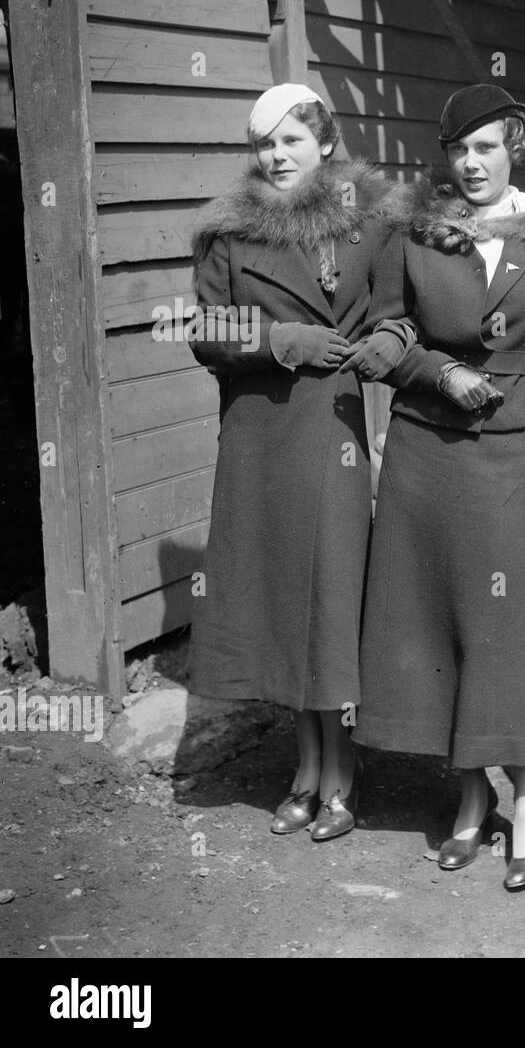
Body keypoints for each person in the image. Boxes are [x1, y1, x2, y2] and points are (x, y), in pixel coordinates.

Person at [354, 84, 525, 890]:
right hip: (425, 445)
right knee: (431, 621)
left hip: (504, 449)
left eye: (486, 148)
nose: (471, 165)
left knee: (497, 626)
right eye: (459, 151)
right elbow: (386, 331)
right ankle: (468, 798)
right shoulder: (415, 233)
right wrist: (440, 371)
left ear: (514, 150)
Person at [188, 84, 403, 840]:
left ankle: (342, 773)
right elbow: (205, 328)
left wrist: (390, 346)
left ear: (325, 143)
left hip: (332, 430)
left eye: (292, 141)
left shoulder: (371, 223)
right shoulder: (229, 232)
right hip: (258, 434)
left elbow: (397, 311)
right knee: (283, 601)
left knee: (332, 598)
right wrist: (278, 343)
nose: (277, 156)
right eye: (265, 144)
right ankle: (305, 768)